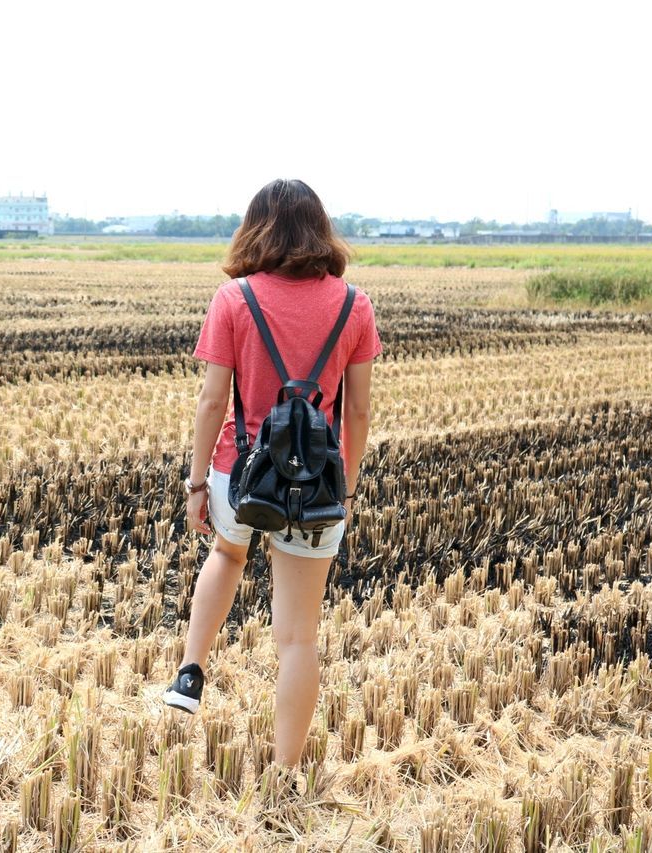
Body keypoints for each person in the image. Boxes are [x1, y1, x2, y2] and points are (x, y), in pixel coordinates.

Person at [160, 179, 382, 773]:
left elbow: (212, 403)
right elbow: (357, 411)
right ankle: (285, 770)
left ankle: (191, 669)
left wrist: (196, 483)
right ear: (320, 230)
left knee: (228, 557)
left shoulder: (233, 300)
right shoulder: (354, 304)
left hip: (241, 473)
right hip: (317, 485)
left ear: (255, 228)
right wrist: (349, 487)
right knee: (299, 638)